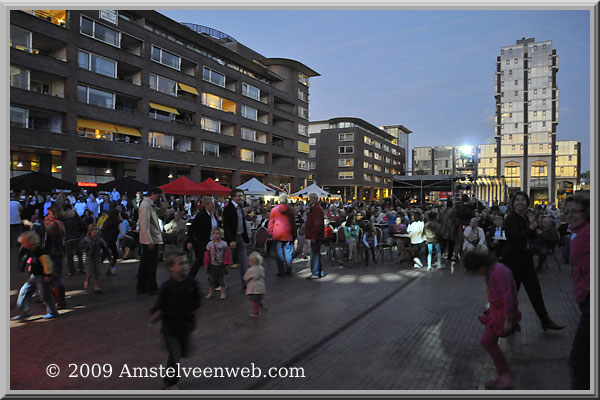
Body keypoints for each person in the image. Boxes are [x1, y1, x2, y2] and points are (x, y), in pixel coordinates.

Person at [503, 191, 563, 331]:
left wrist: (537, 232)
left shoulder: (524, 218)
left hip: (526, 260)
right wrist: (530, 229)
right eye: (517, 200)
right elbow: (514, 238)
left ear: (527, 202)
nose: (520, 202)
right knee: (512, 294)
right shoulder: (511, 218)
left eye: (523, 200)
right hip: (513, 262)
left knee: (535, 292)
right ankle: (506, 323)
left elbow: (528, 238)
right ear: (513, 203)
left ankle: (545, 320)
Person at [463, 250, 521, 390]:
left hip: (502, 313)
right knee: (488, 342)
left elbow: (509, 296)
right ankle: (503, 373)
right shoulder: (493, 270)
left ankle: (505, 373)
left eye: (475, 271)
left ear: (479, 266)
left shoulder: (499, 271)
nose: (476, 275)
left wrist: (508, 319)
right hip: (497, 311)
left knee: (487, 341)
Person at [148, 253, 202, 390]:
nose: (185, 266)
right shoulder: (167, 287)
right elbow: (160, 305)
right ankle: (170, 382)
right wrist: (155, 315)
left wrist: (193, 314)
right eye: (181, 263)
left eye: (186, 262)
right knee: (175, 355)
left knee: (181, 352)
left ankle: (171, 379)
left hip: (185, 326)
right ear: (171, 268)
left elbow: (197, 302)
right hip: (170, 328)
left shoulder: (191, 283)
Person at [564, 195, 590, 389]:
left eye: (575, 211)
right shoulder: (577, 232)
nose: (571, 215)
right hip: (584, 300)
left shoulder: (588, 233)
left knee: (578, 362)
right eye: (568, 211)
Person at [12, 231, 59, 320]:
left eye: (23, 242)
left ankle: (52, 312)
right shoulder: (30, 250)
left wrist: (47, 275)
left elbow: (47, 264)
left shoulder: (40, 251)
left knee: (45, 294)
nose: (22, 244)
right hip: (34, 276)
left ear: (30, 241)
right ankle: (25, 312)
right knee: (24, 292)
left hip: (41, 276)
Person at [137, 188, 164, 295]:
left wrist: (163, 199)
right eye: (158, 196)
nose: (159, 198)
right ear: (152, 194)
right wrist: (149, 241)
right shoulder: (146, 206)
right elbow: (144, 225)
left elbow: (162, 211)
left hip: (150, 238)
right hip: (150, 239)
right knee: (149, 265)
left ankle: (145, 286)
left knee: (148, 264)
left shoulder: (148, 205)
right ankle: (149, 286)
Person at [223, 189, 250, 290]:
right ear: (233, 197)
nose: (241, 198)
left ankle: (245, 283)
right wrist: (230, 240)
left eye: (241, 196)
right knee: (224, 261)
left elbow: (242, 223)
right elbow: (226, 226)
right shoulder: (228, 209)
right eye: (239, 196)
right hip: (232, 238)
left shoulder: (239, 207)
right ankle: (217, 281)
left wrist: (246, 237)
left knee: (244, 261)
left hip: (240, 237)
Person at [187, 197, 218, 278]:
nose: (213, 205)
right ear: (206, 205)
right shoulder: (201, 215)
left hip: (213, 240)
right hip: (203, 240)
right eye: (211, 203)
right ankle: (190, 277)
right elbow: (192, 228)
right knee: (200, 260)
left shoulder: (212, 214)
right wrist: (190, 241)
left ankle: (214, 280)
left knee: (213, 260)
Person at [268, 193, 297, 277]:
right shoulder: (290, 210)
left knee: (279, 254)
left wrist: (270, 233)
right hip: (288, 233)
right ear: (286, 200)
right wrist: (294, 233)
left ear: (279, 200)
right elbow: (293, 223)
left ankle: (281, 271)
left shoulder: (274, 210)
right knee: (288, 252)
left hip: (277, 234)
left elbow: (271, 223)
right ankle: (289, 269)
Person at [44, 206, 67, 310]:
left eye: (49, 214)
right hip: (58, 252)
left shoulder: (54, 224)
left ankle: (58, 301)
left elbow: (42, 230)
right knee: (57, 277)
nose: (48, 216)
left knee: (54, 278)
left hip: (53, 253)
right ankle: (59, 301)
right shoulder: (60, 223)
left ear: (54, 213)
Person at [81, 224, 111, 293]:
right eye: (92, 230)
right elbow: (81, 245)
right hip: (89, 258)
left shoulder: (100, 239)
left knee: (97, 273)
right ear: (89, 231)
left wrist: (109, 256)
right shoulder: (86, 239)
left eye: (96, 230)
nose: (94, 231)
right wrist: (86, 247)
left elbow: (105, 248)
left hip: (97, 258)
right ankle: (87, 280)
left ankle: (96, 287)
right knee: (89, 272)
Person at [203, 228, 232, 300]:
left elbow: (227, 254)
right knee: (211, 280)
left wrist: (227, 263)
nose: (215, 235)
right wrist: (206, 263)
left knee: (221, 280)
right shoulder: (210, 244)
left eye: (217, 233)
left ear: (221, 235)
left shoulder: (224, 244)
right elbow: (207, 254)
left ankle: (223, 293)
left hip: (220, 264)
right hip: (212, 264)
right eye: (214, 233)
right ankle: (210, 293)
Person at [305, 192, 325, 279]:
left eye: (310, 198)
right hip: (315, 235)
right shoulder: (315, 208)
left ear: (314, 199)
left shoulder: (316, 209)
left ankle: (315, 272)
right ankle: (320, 271)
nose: (309, 200)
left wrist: (313, 236)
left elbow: (317, 224)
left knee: (314, 254)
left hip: (315, 236)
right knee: (316, 254)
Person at [244, 252, 267, 318]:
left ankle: (256, 313)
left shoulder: (250, 270)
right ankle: (262, 306)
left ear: (252, 261)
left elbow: (245, 277)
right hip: (261, 285)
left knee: (254, 300)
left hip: (253, 287)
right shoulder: (261, 268)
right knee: (258, 299)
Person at [62, 207, 85, 276]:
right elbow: (83, 227)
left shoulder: (64, 222)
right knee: (79, 255)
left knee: (69, 256)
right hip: (77, 239)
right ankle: (80, 268)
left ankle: (71, 270)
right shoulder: (77, 221)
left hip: (68, 240)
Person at [101, 209, 120, 276]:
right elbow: (120, 232)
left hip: (105, 239)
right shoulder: (116, 222)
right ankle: (109, 270)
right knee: (115, 255)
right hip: (111, 240)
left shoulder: (108, 221)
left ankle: (96, 270)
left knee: (103, 255)